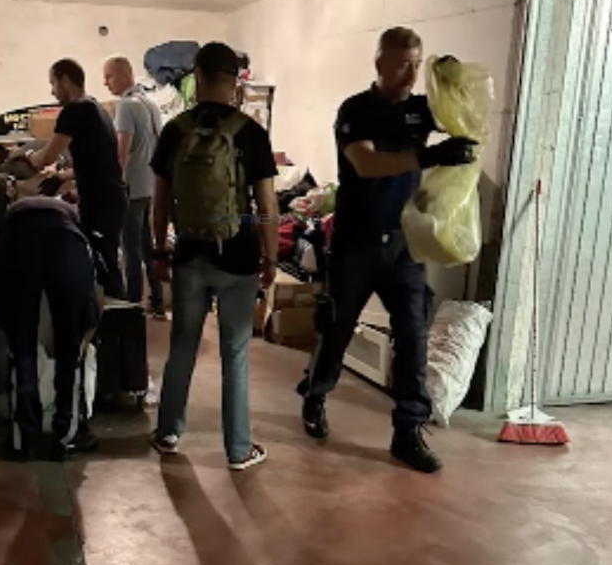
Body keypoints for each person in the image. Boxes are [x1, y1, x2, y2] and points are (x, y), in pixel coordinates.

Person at [297, 27, 477, 474]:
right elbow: (365, 162)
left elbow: (465, 117)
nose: (410, 74)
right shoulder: (355, 110)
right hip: (355, 241)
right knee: (336, 329)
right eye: (400, 64)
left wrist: (453, 83)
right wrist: (429, 157)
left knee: (413, 336)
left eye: (416, 64)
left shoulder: (421, 110)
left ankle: (408, 432)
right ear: (379, 63)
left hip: (404, 244)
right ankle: (316, 396)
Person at [148, 42, 279, 471]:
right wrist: (270, 258)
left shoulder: (175, 130)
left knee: (182, 346)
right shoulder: (251, 133)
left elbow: (160, 202)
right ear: (234, 81)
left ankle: (168, 432)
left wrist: (158, 248)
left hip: (189, 255)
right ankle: (238, 450)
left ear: (197, 77)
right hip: (238, 257)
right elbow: (267, 206)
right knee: (234, 354)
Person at [0, 161, 102, 461]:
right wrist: (86, 326)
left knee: (21, 347)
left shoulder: (13, 210)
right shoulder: (71, 209)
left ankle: (24, 439)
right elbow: (93, 295)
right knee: (69, 348)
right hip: (67, 245)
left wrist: (4, 319)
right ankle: (66, 436)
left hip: (17, 246)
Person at [25, 58, 127, 299]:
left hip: (101, 203)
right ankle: (113, 316)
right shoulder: (95, 107)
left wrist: (26, 156)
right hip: (110, 199)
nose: (52, 91)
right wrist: (63, 178)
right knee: (105, 264)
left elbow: (45, 158)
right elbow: (99, 160)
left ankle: (120, 318)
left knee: (105, 268)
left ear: (65, 81)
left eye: (53, 84)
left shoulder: (74, 111)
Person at [103, 54, 166, 318]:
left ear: (125, 74)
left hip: (132, 188)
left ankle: (131, 306)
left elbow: (121, 154)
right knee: (147, 244)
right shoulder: (150, 103)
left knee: (130, 247)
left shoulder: (126, 106)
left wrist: (109, 185)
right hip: (151, 186)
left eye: (109, 77)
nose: (105, 83)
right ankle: (157, 300)